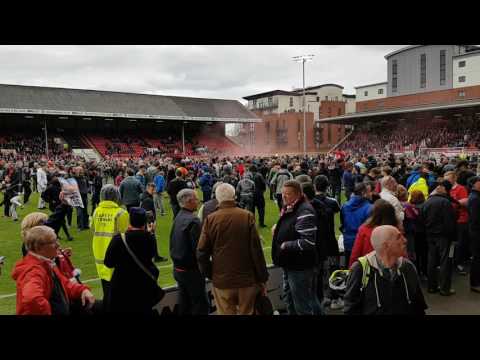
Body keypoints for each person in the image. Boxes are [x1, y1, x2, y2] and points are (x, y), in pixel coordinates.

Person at [197, 183, 268, 315]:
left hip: (224, 279)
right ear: (234, 196)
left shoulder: (211, 219)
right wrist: (262, 277)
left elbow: (201, 252)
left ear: (217, 198)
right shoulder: (245, 216)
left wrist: (210, 273)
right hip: (244, 278)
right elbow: (257, 251)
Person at [343, 225, 428, 315]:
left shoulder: (407, 267)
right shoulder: (360, 269)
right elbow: (350, 309)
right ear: (386, 245)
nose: (405, 240)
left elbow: (419, 307)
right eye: (399, 237)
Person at [11, 225, 95, 315]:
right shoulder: (34, 271)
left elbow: (64, 283)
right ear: (38, 247)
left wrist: (82, 290)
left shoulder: (46, 263)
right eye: (53, 242)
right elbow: (31, 299)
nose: (58, 245)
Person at [271, 180, 323, 315]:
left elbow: (308, 242)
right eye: (283, 193)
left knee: (303, 305)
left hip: (300, 266)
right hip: (290, 263)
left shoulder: (305, 210)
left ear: (298, 195)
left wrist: (285, 244)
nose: (283, 196)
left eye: (287, 194)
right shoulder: (290, 207)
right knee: (293, 299)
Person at [104, 207, 161, 314]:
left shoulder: (119, 239)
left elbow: (108, 263)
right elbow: (151, 255)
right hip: (142, 289)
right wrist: (151, 233)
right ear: (145, 222)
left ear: (130, 221)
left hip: (121, 289)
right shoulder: (149, 238)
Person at [170, 189, 209, 315]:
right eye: (196, 199)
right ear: (189, 201)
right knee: (200, 305)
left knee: (184, 303)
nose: (198, 202)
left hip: (178, 268)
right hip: (191, 270)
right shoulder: (193, 220)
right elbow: (199, 249)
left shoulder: (178, 216)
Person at [91, 184, 130, 308]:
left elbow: (92, 229)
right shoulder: (121, 213)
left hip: (100, 253)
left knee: (106, 289)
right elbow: (126, 237)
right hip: (117, 257)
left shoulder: (97, 210)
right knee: (118, 295)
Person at [422, 180, 457, 296]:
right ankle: (444, 288)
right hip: (443, 236)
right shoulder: (445, 202)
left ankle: (432, 287)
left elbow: (422, 220)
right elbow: (449, 222)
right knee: (445, 261)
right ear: (439, 189)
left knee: (431, 261)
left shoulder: (426, 202)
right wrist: (453, 237)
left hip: (430, 235)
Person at [313, 175, 342, 310]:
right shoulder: (332, 202)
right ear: (327, 186)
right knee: (333, 269)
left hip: (317, 242)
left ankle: (320, 299)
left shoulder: (310, 202)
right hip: (330, 240)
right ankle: (335, 298)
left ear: (315, 186)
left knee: (318, 271)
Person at [349, 199, 399, 268]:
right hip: (386, 268)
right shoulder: (396, 231)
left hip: (371, 268)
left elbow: (356, 253)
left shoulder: (364, 229)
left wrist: (351, 270)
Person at [340, 182, 373, 268]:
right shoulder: (370, 208)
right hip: (363, 244)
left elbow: (343, 224)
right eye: (369, 191)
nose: (371, 193)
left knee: (351, 270)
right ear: (363, 193)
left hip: (348, 242)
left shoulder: (345, 206)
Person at [444, 171, 470, 275]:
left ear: (454, 178)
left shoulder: (461, 189)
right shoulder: (445, 189)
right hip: (450, 220)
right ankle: (451, 261)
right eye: (445, 179)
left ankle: (458, 263)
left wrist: (454, 203)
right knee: (451, 243)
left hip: (461, 220)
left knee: (459, 243)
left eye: (448, 179)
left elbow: (465, 202)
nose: (447, 182)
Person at [467, 176, 480, 293]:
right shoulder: (475, 198)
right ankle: (475, 283)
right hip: (476, 232)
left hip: (474, 231)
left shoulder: (475, 196)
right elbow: (476, 218)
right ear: (474, 184)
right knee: (477, 258)